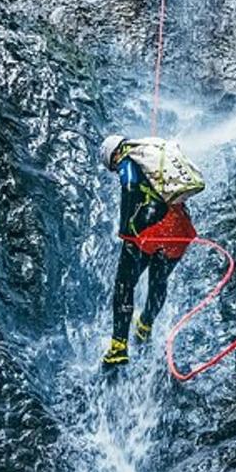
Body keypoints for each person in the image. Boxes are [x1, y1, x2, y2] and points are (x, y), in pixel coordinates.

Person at [99, 134, 203, 374]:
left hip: (150, 228)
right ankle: (145, 325)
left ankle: (118, 347)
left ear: (113, 156)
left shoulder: (127, 159)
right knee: (159, 278)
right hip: (180, 228)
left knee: (125, 284)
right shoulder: (152, 153)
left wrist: (126, 229)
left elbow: (130, 185)